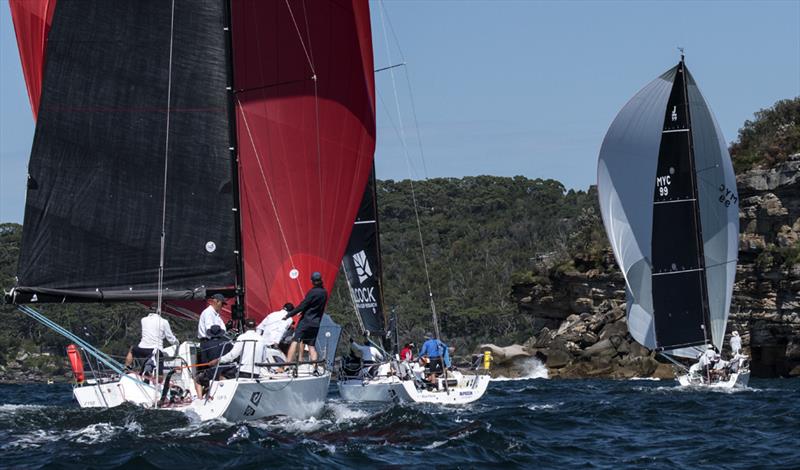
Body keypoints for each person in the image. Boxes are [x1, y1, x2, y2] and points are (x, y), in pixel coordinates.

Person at [284, 272, 328, 365]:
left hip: (306, 322)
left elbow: (302, 306)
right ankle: (315, 367)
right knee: (311, 346)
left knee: (295, 341)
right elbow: (315, 307)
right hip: (316, 323)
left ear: (312, 281)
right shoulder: (324, 293)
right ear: (321, 280)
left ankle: (286, 365)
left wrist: (288, 315)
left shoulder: (312, 292)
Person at [125, 309, 179, 374]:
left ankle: (127, 367)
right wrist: (177, 342)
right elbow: (170, 338)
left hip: (142, 349)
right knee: (159, 365)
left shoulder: (143, 320)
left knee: (132, 349)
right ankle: (157, 376)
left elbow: (151, 331)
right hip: (156, 351)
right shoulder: (164, 322)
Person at [194, 325, 234, 397]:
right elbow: (233, 356)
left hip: (213, 373)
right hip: (227, 372)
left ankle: (200, 399)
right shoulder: (228, 343)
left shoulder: (205, 345)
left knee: (197, 380)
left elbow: (204, 362)